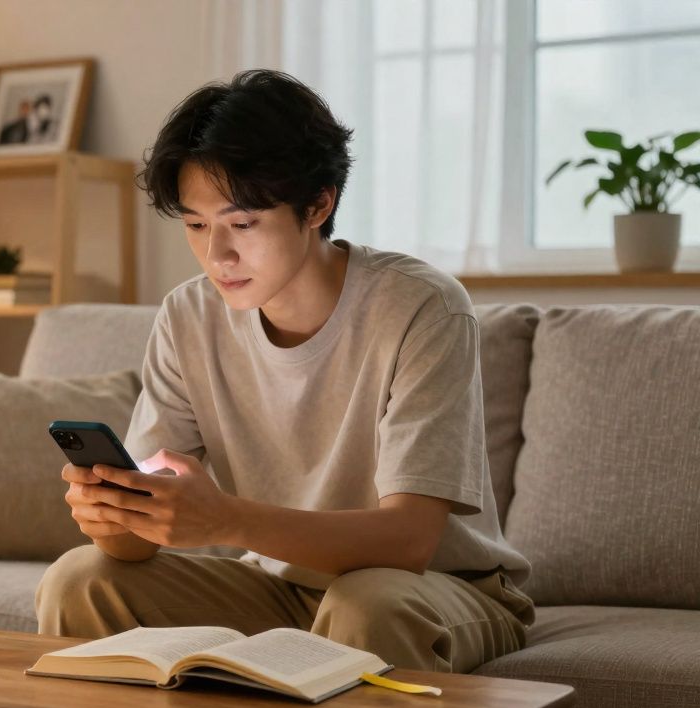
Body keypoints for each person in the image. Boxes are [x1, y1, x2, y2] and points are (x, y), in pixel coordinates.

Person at [34, 69, 534, 674]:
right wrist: (112, 516)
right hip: (279, 590)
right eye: (196, 225)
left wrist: (223, 518)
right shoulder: (188, 316)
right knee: (80, 579)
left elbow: (409, 541)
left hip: (433, 589)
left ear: (318, 204)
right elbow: (134, 543)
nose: (217, 255)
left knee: (365, 604)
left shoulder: (421, 307)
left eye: (242, 224)